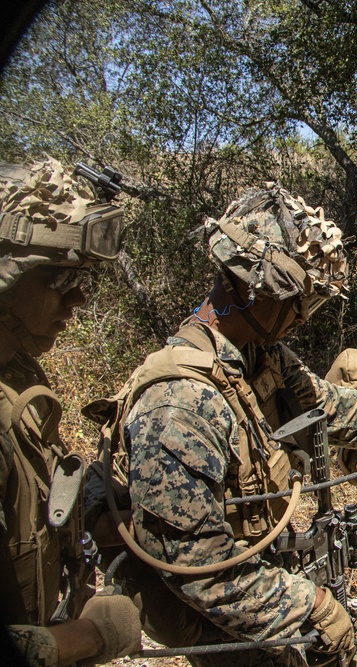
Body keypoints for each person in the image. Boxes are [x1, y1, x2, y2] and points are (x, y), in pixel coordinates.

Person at [82, 184, 357, 667]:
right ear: (257, 287)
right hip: (214, 616)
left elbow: (330, 406)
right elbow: (197, 568)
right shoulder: (179, 404)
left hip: (254, 567)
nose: (302, 318)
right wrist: (312, 607)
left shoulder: (257, 352)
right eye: (300, 301)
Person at [0, 158, 142, 666]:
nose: (79, 299)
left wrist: (102, 517)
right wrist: (90, 637)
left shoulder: (19, 375)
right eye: (60, 280)